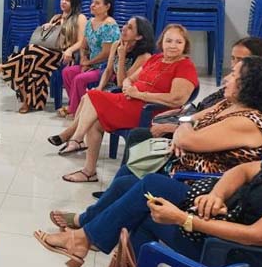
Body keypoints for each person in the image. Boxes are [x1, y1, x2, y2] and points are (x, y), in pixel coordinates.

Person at [35, 101, 262, 267]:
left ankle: (96, 254)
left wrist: (185, 220)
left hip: (239, 255)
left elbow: (256, 235)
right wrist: (218, 195)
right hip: (220, 214)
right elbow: (243, 171)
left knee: (146, 206)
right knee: (135, 188)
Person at [50, 56, 262, 232]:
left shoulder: (250, 121)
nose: (227, 78)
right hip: (183, 164)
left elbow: (187, 131)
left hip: (202, 185)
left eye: (234, 74)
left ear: (250, 84)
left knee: (143, 178)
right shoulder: (231, 104)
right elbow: (189, 115)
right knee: (127, 178)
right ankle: (88, 221)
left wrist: (183, 135)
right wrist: (184, 130)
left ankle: (88, 235)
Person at [91, 36, 262, 200]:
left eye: (240, 61)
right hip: (188, 144)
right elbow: (196, 117)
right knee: (134, 156)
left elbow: (195, 131)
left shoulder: (249, 116)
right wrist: (183, 124)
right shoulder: (230, 100)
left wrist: (179, 131)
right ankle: (112, 198)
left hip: (197, 173)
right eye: (233, 59)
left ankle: (112, 199)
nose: (232, 67)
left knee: (139, 139)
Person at [49, 24, 198, 183]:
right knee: (95, 121)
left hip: (150, 111)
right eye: (169, 41)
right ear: (162, 43)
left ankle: (75, 139)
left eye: (178, 42)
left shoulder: (185, 66)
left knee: (92, 96)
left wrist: (141, 94)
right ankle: (89, 171)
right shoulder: (156, 59)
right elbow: (129, 78)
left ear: (185, 45)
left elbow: (177, 99)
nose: (173, 46)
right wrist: (128, 85)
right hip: (130, 101)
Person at [0, 0, 87, 113]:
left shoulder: (80, 18)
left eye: (67, 0)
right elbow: (48, 38)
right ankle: (26, 100)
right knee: (29, 63)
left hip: (63, 56)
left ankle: (0, 68)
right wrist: (48, 26)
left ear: (74, 2)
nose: (63, 2)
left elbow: (81, 41)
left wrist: (70, 50)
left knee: (30, 52)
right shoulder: (57, 17)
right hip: (45, 53)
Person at [58, 0, 120, 118]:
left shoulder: (109, 25)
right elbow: (84, 45)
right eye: (92, 2)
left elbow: (106, 54)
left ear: (107, 6)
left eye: (97, 3)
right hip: (91, 63)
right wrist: (84, 59)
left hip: (105, 67)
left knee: (79, 79)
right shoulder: (90, 22)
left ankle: (76, 110)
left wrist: (88, 63)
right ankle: (77, 106)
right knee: (67, 72)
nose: (93, 5)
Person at [93, 16, 156, 93]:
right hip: (112, 87)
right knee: (88, 96)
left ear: (138, 36)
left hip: (127, 92)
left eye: (130, 28)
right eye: (126, 24)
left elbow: (122, 84)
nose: (124, 28)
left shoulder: (144, 56)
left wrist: (122, 57)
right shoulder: (116, 44)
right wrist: (99, 87)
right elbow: (108, 70)